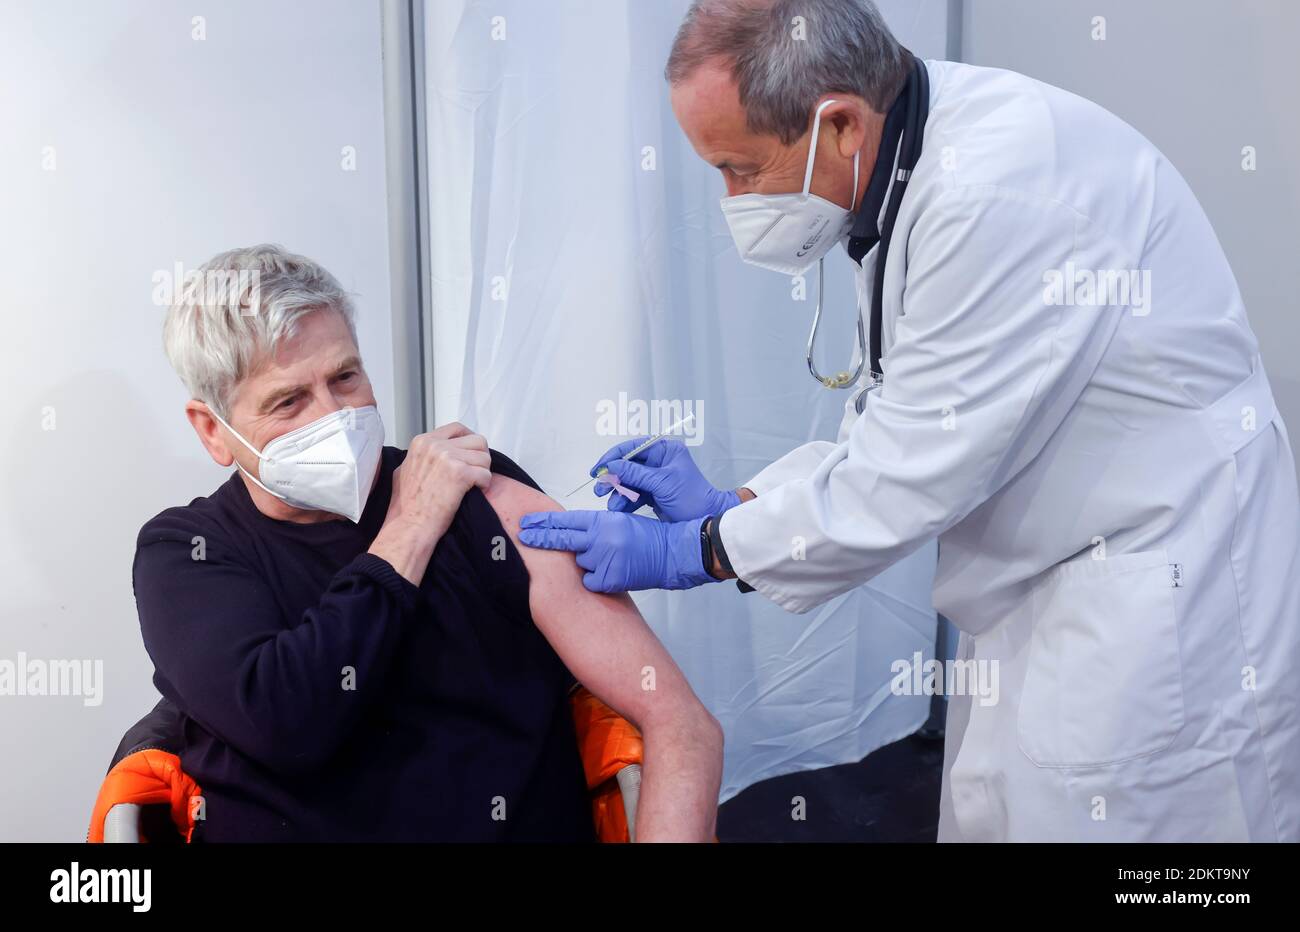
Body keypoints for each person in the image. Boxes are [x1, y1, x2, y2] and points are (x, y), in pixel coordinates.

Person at [518, 0, 1300, 841]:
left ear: (842, 125)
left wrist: (703, 549)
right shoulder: (914, 160)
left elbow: (912, 473)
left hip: (1160, 587)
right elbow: (904, 420)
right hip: (1051, 577)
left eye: (741, 168)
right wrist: (735, 504)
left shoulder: (1001, 195)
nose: (732, 198)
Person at [135, 244, 722, 841]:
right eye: (290, 401)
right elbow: (289, 724)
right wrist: (411, 525)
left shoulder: (478, 494)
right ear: (213, 429)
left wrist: (721, 542)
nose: (333, 417)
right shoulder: (188, 552)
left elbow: (680, 723)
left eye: (345, 377)